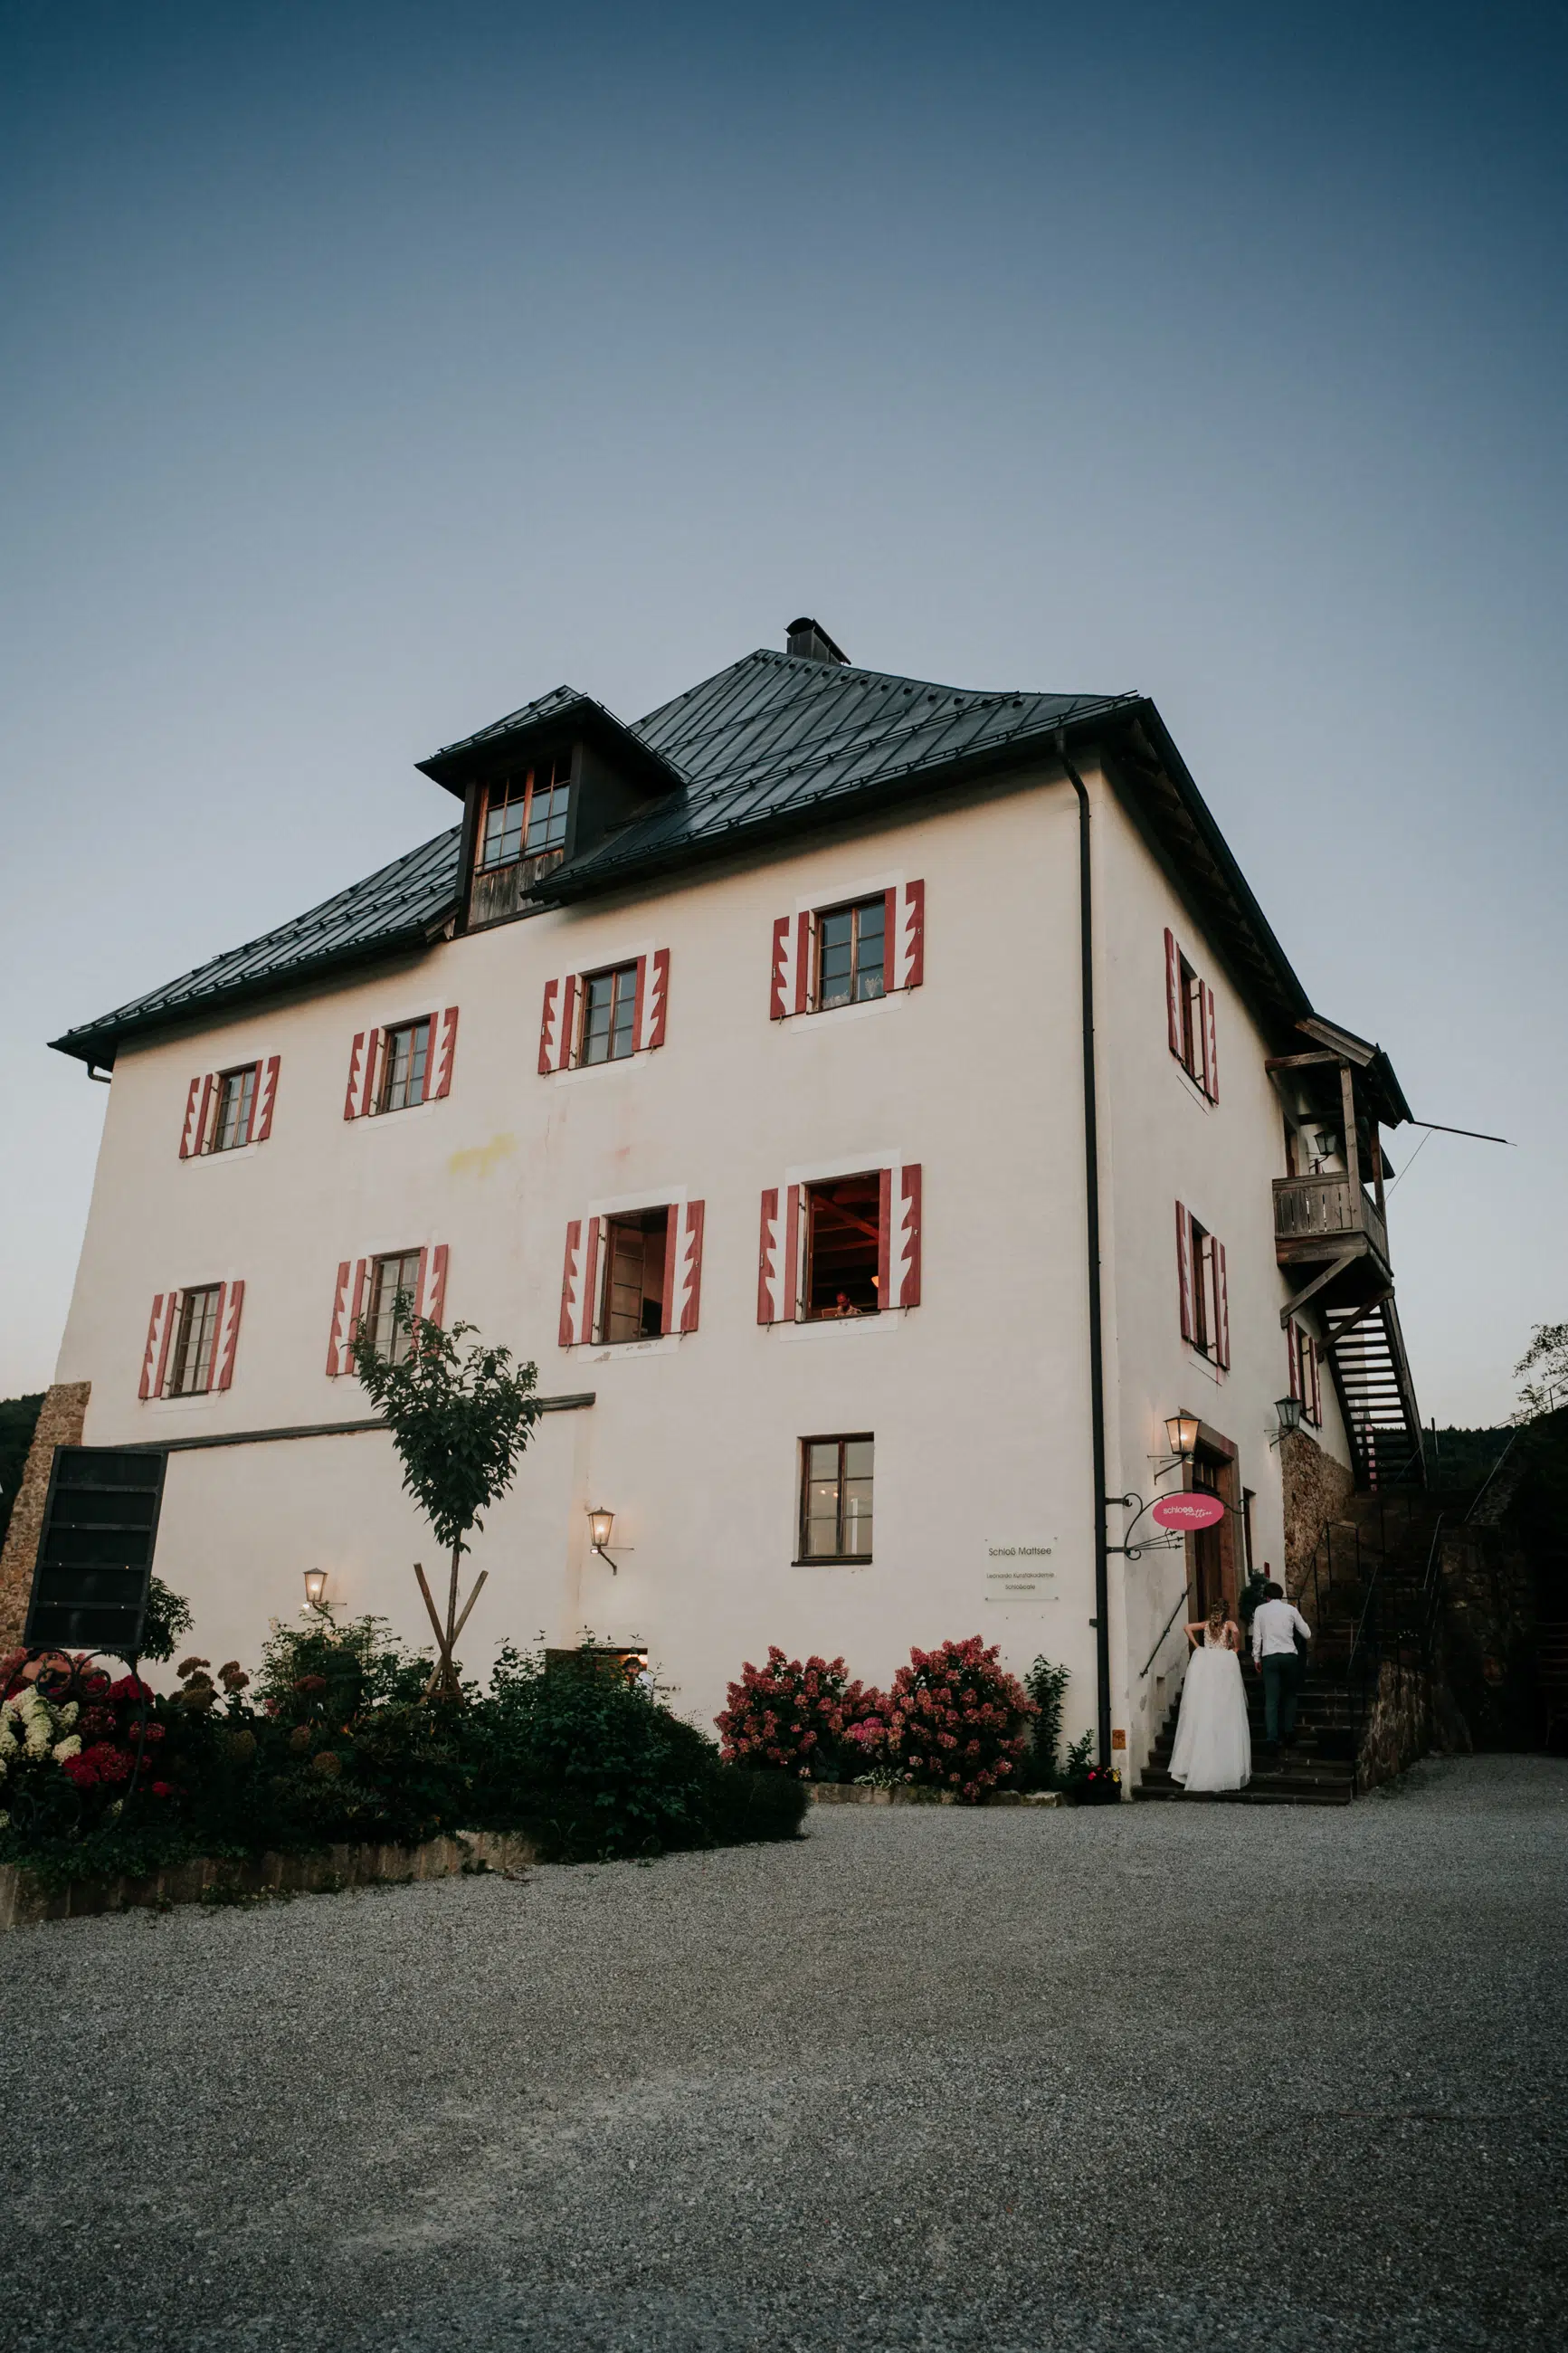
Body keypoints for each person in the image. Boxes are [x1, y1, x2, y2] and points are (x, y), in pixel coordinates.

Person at [1167, 1596, 1251, 1793]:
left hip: (1206, 1661)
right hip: (1223, 1661)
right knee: (1223, 1702)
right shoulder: (1229, 1624)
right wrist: (1236, 1646)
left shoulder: (1206, 1624)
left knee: (1204, 1702)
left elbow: (1187, 1627)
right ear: (1227, 1611)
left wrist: (1198, 1647)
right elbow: (1236, 1631)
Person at [1250, 1580, 1312, 1751]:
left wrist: (1256, 1658)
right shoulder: (1291, 1610)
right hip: (1289, 1656)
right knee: (1290, 1695)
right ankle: (1289, 1731)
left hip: (1269, 1657)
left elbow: (1257, 1638)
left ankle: (1271, 1738)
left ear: (1266, 1596)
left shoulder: (1260, 1610)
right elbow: (1307, 1633)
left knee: (1271, 1699)